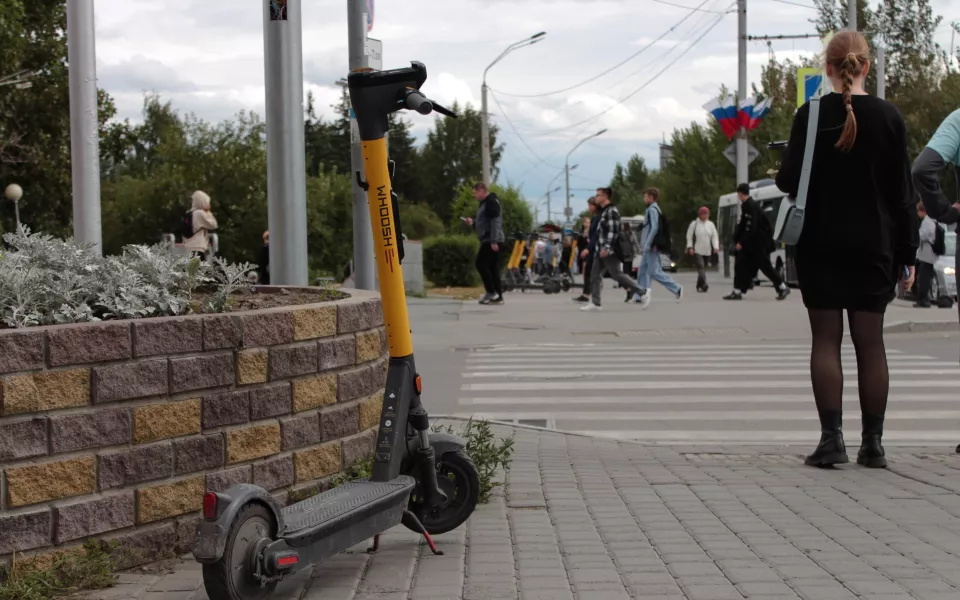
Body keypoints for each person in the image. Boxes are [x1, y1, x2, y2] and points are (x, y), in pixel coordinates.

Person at [775, 31, 917, 469]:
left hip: (821, 245)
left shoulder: (811, 115)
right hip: (876, 246)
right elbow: (903, 194)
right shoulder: (890, 117)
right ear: (866, 68)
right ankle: (873, 444)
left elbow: (787, 180)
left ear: (829, 69)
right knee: (871, 344)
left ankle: (831, 440)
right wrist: (907, 254)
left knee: (826, 340)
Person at [582, 188, 646, 312]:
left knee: (617, 274)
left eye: (598, 195)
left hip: (609, 251)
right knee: (594, 275)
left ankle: (642, 291)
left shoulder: (611, 211)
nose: (595, 198)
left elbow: (613, 232)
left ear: (605, 196)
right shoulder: (604, 211)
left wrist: (606, 247)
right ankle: (596, 303)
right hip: (599, 250)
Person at [723, 183, 790, 301]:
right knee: (741, 265)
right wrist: (737, 239)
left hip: (757, 244)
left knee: (765, 267)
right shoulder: (749, 205)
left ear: (740, 194)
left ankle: (783, 287)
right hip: (753, 243)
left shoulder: (750, 206)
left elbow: (750, 227)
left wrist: (741, 242)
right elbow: (743, 225)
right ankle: (738, 290)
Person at [632, 188, 680, 308]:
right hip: (648, 246)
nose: (644, 199)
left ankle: (677, 288)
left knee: (654, 272)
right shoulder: (652, 209)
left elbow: (654, 228)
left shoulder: (652, 210)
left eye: (645, 197)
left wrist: (647, 244)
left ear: (651, 198)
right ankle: (639, 294)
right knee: (642, 272)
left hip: (651, 246)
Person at [463, 182, 505, 305]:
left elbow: (495, 222)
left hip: (491, 240)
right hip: (490, 239)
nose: (474, 196)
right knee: (492, 268)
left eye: (475, 193)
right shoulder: (485, 203)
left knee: (481, 264)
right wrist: (474, 222)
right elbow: (485, 221)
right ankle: (498, 295)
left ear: (482, 190)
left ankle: (491, 291)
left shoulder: (491, 202)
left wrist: (493, 241)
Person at [686, 206, 720, 293]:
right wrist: (690, 247)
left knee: (703, 268)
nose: (706, 216)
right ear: (700, 215)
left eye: (707, 214)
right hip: (697, 250)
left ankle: (699, 285)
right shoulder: (694, 224)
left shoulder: (711, 225)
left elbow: (714, 236)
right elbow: (689, 236)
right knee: (701, 267)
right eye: (704, 214)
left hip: (707, 250)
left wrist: (716, 247)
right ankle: (704, 285)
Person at [572, 201, 600, 303]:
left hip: (596, 250)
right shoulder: (595, 218)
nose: (588, 207)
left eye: (590, 205)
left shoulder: (598, 218)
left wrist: (588, 247)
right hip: (590, 250)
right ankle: (587, 295)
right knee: (588, 272)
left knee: (615, 274)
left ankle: (638, 291)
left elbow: (595, 236)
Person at [183, 190, 218, 259]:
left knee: (190, 268)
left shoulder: (189, 212)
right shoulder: (200, 213)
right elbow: (214, 225)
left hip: (188, 247)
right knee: (199, 268)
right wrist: (208, 211)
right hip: (198, 248)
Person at [915, 203, 938, 308]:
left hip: (926, 255)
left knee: (923, 278)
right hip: (930, 255)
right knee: (926, 277)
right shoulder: (933, 220)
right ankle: (925, 298)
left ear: (922, 210)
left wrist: (916, 234)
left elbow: (922, 235)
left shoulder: (927, 221)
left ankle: (923, 300)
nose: (917, 214)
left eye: (918, 211)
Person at [618, 222, 640, 299]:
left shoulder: (620, 234)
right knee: (629, 272)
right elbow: (635, 242)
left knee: (624, 272)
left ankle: (628, 289)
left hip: (623, 255)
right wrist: (638, 249)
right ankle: (630, 289)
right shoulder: (632, 233)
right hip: (630, 255)